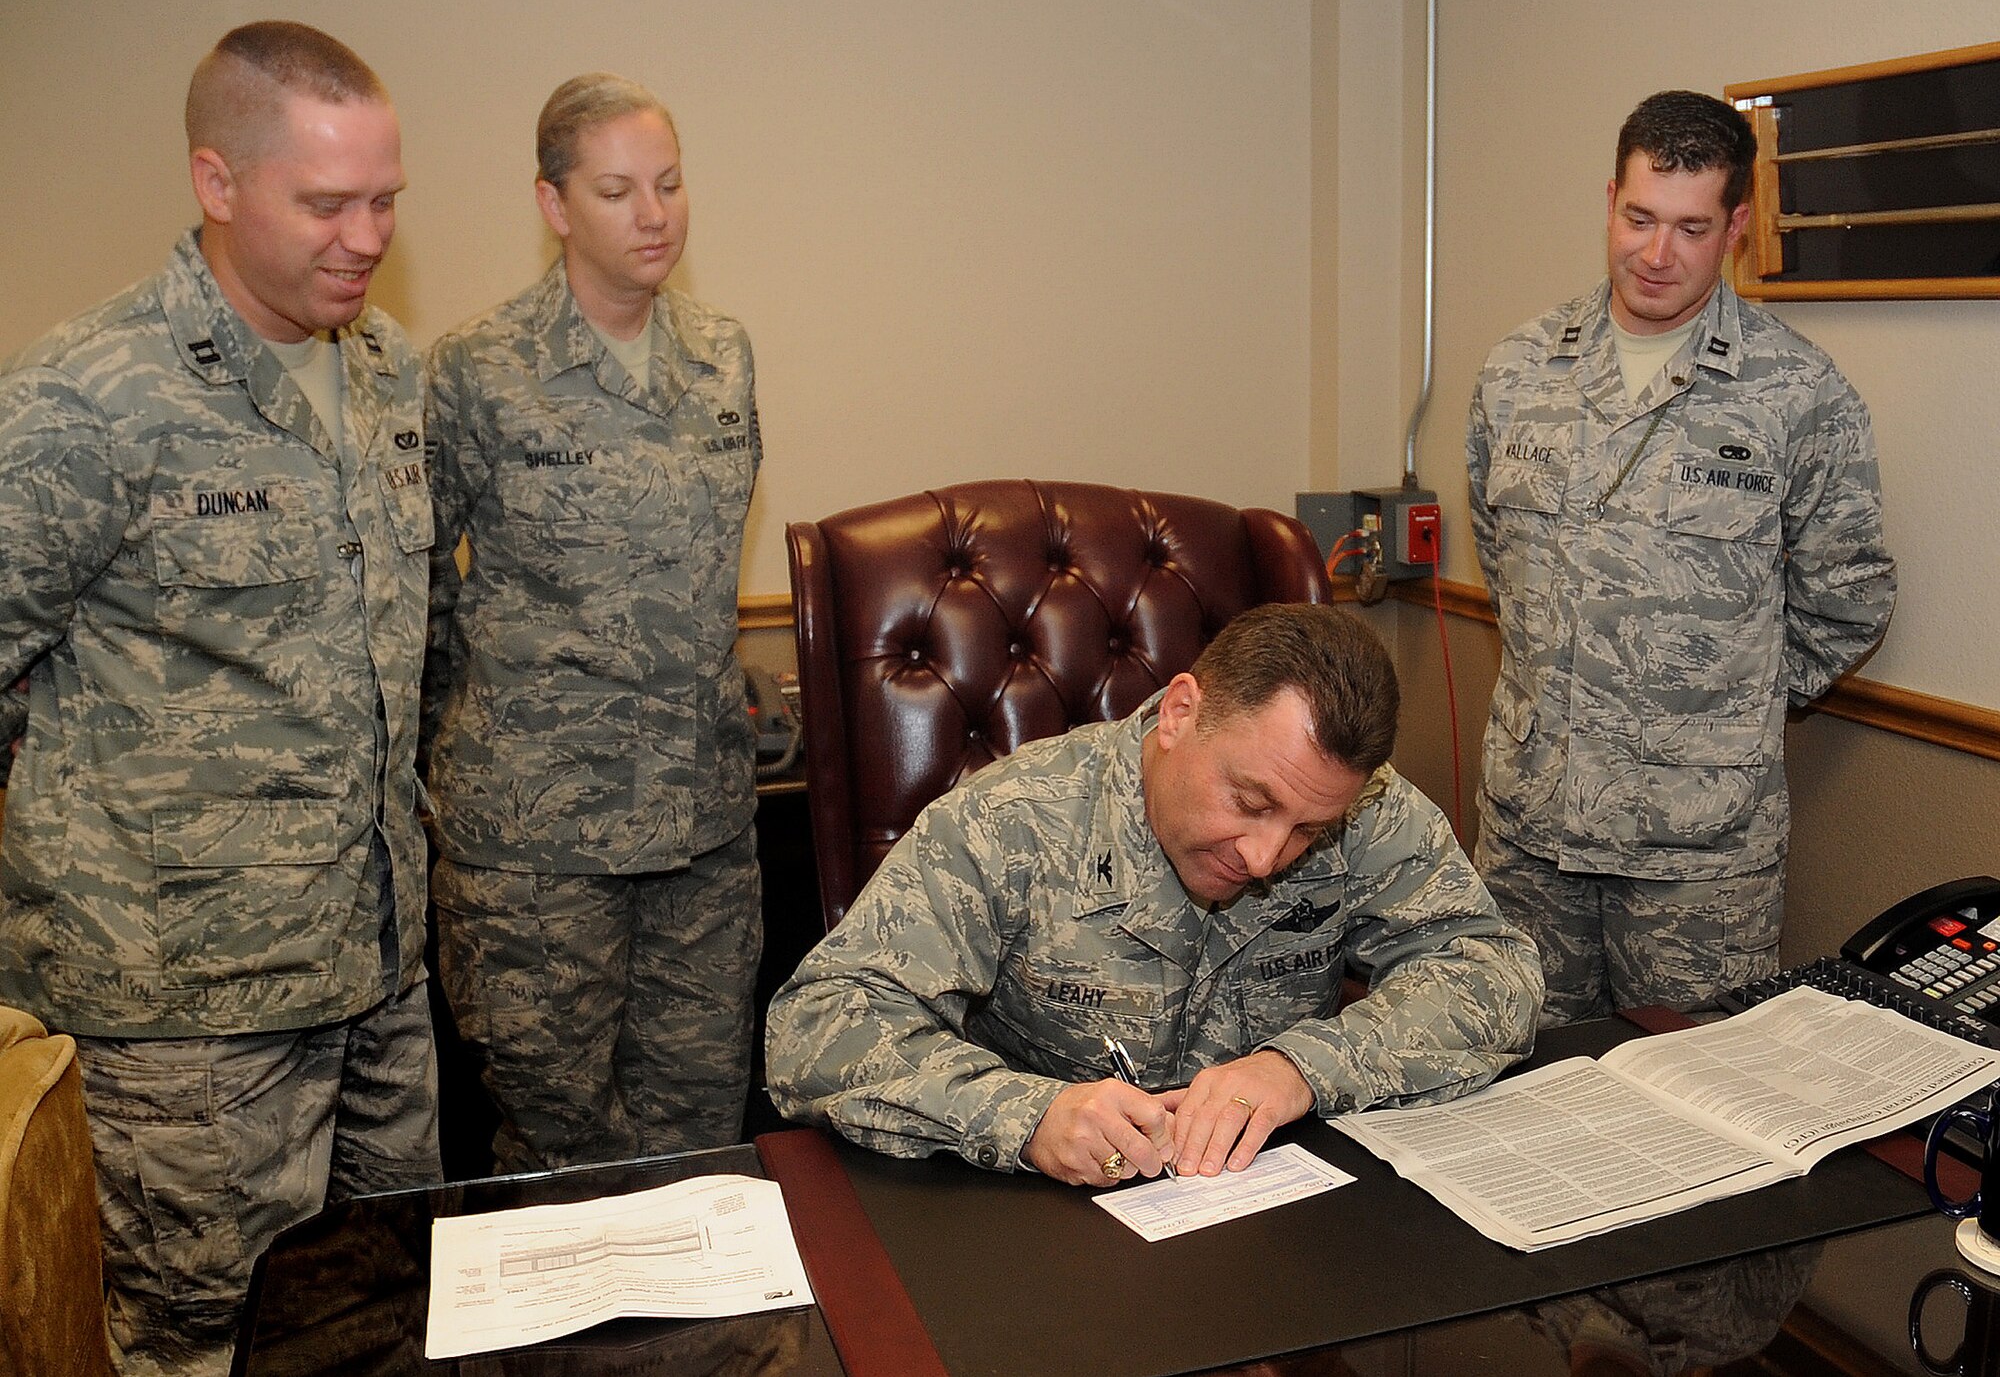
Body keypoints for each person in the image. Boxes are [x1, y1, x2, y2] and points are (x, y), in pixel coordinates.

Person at [0, 22, 439, 1375]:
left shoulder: (389, 377)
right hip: (186, 1028)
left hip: (377, 976)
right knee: (197, 1352)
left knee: (398, 1322)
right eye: (326, 204)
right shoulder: (88, 401)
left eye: (384, 200)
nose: (364, 236)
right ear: (217, 181)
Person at [766, 603, 1542, 1186]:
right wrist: (1025, 1115)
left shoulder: (1366, 809)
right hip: (1042, 1235)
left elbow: (1494, 973)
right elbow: (816, 1024)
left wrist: (1301, 1067)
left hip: (1274, 1223)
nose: (1268, 855)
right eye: (1250, 800)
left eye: (1309, 828)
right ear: (1179, 714)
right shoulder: (1011, 823)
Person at [1467, 90, 1896, 1026]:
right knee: (1514, 1098)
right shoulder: (1518, 372)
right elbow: (1509, 565)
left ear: (1736, 227)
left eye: (1692, 228)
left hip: (1700, 864)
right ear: (1610, 199)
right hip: (1531, 840)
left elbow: (1848, 599)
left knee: (1704, 1123)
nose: (1657, 254)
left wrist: (1718, 719)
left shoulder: (1799, 395)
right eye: (1639, 218)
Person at [422, 73, 762, 1173]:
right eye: (616, 190)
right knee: (558, 1151)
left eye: (667, 184)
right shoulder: (478, 370)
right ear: (553, 204)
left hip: (700, 827)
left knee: (702, 1140)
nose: (652, 214)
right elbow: (420, 590)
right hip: (535, 840)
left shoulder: (721, 354)